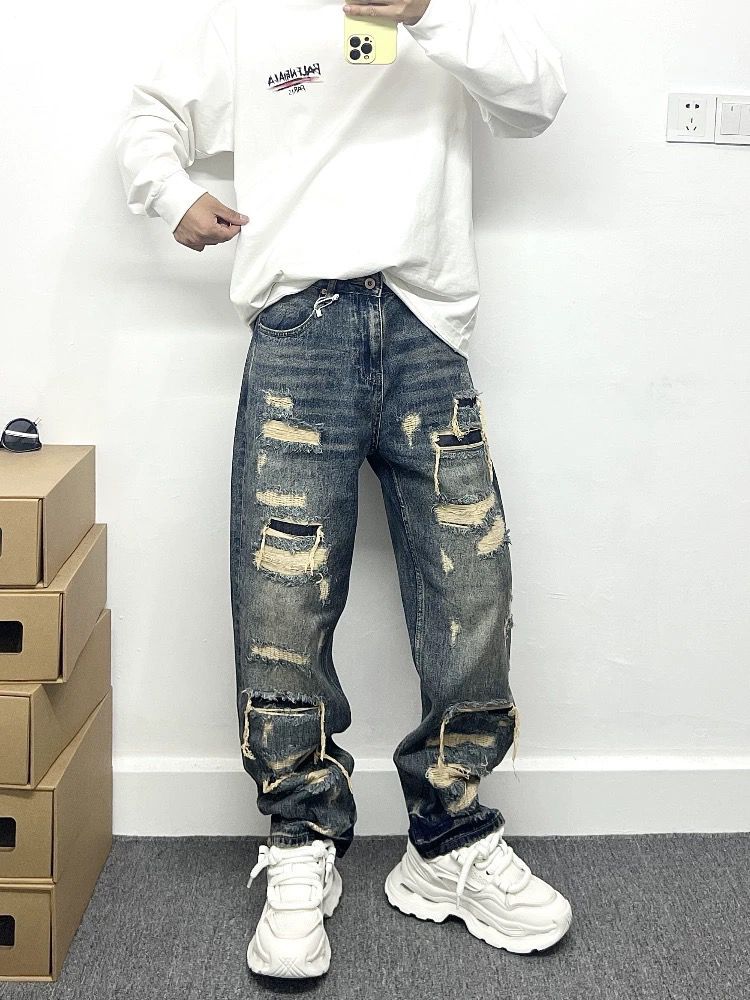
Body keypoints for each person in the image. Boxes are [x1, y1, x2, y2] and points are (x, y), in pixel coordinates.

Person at [115, 0, 570, 979]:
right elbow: (153, 112)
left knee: (471, 590)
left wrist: (431, 13)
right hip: (300, 326)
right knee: (281, 602)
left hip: (426, 325)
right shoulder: (252, 16)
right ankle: (300, 839)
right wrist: (168, 190)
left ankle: (448, 839)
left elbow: (538, 98)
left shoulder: (449, 10)